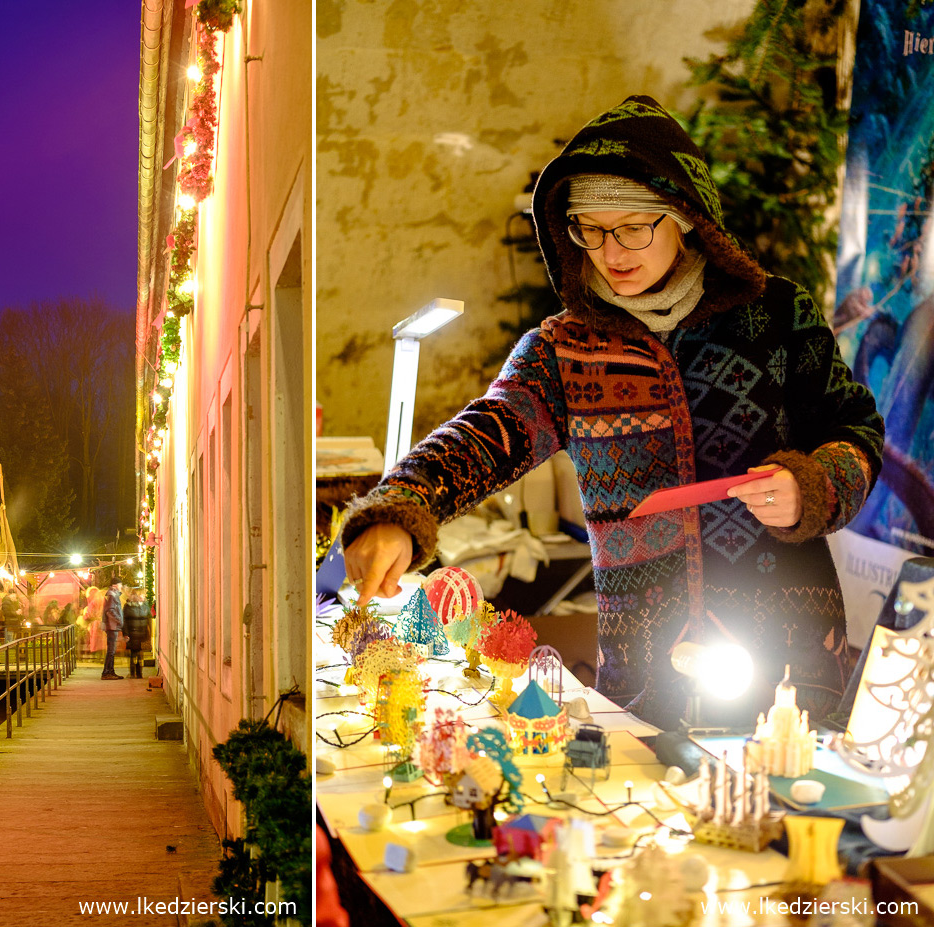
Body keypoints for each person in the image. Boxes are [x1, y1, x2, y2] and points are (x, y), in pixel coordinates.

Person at [341, 95, 884, 730]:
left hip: (786, 657)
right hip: (648, 676)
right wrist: (401, 510)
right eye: (589, 230)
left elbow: (857, 433)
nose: (611, 251)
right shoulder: (563, 350)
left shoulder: (779, 315)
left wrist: (811, 487)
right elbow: (484, 433)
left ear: (684, 216)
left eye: (632, 227)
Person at [123, 589, 152, 678]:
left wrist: (125, 633)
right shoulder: (143, 607)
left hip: (135, 633)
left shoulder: (128, 607)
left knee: (135, 654)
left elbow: (124, 621)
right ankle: (138, 673)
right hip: (137, 633)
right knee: (137, 653)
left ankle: (134, 673)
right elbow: (148, 619)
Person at [101, 576, 124, 680]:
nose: (121, 586)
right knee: (111, 650)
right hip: (112, 626)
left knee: (112, 650)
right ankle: (106, 673)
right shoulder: (112, 595)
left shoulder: (112, 594)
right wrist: (119, 619)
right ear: (115, 585)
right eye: (120, 584)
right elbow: (110, 611)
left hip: (112, 626)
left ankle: (110, 671)